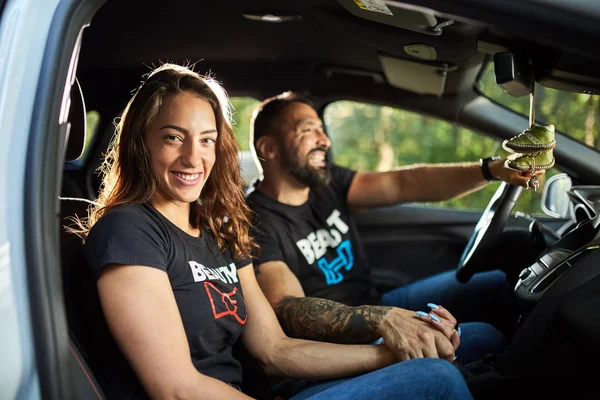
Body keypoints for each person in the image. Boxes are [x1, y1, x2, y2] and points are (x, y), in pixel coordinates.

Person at [74, 64, 473, 400]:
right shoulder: (128, 230)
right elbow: (176, 387)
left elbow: (275, 350)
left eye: (207, 140)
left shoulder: (218, 230)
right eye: (174, 137)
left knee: (445, 357)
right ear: (141, 144)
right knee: (438, 381)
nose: (193, 157)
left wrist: (395, 353)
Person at [246, 91, 538, 373]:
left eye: (322, 130)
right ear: (269, 148)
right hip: (334, 344)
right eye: (308, 130)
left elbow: (405, 183)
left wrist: (492, 170)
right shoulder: (254, 222)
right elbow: (288, 309)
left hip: (376, 302)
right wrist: (380, 321)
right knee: (482, 338)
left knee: (501, 286)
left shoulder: (327, 183)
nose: (324, 140)